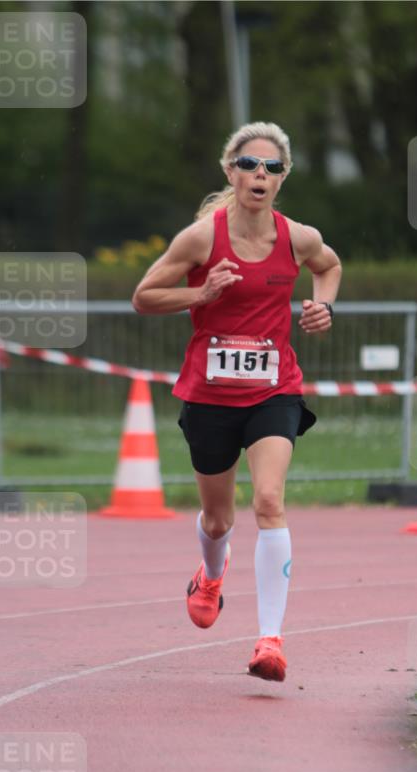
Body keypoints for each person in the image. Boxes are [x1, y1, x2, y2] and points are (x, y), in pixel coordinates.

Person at [132, 121, 342, 683]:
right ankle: (210, 573)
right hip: (210, 395)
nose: (260, 175)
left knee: (269, 501)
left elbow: (329, 264)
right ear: (230, 171)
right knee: (219, 518)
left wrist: (323, 306)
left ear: (283, 179)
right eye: (249, 164)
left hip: (274, 390)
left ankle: (270, 641)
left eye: (272, 168)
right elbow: (144, 296)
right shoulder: (201, 238)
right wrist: (200, 294)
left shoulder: (297, 236)